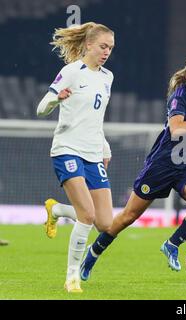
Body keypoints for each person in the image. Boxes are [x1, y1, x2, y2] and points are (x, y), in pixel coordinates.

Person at [79, 54, 186, 281]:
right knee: (128, 216)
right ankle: (93, 253)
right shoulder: (179, 97)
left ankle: (172, 245)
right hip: (161, 165)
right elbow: (177, 129)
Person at [36, 22, 115, 292]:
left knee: (105, 223)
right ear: (89, 44)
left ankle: (56, 210)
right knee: (87, 215)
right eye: (103, 46)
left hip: (93, 152)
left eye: (111, 48)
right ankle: (72, 276)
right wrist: (57, 98)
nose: (107, 52)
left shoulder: (107, 77)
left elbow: (96, 118)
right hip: (67, 149)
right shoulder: (70, 71)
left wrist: (104, 148)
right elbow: (41, 108)